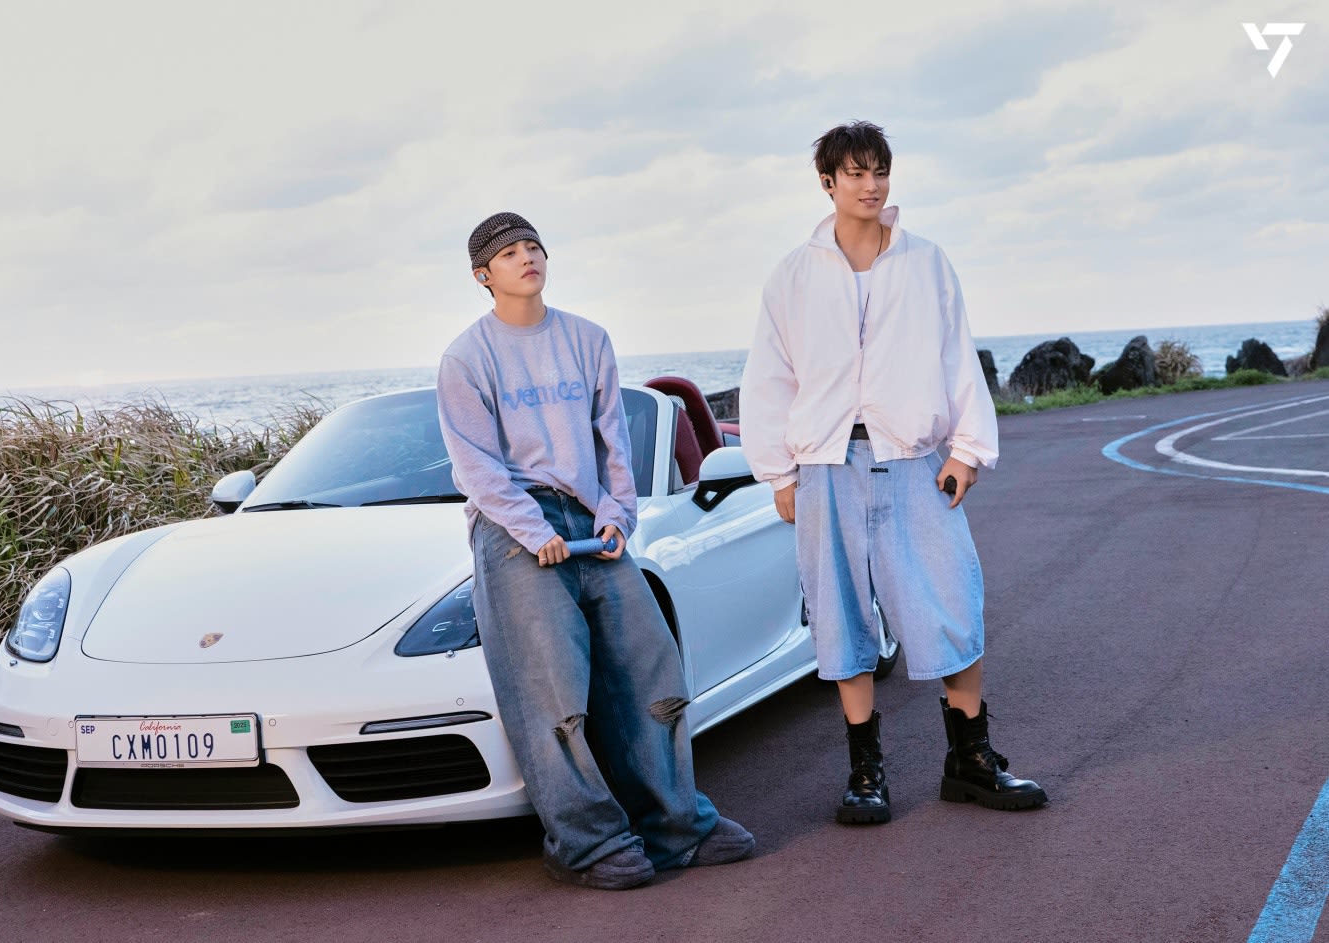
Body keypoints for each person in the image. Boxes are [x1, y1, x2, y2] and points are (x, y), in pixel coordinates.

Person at [738, 122, 1047, 825]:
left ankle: (970, 759)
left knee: (953, 601)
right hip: (824, 465)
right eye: (855, 173)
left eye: (879, 170)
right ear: (827, 183)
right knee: (841, 618)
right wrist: (778, 474)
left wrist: (968, 449)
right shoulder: (792, 275)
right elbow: (770, 377)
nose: (871, 184)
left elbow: (955, 354)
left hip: (911, 461)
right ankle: (865, 772)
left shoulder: (925, 262)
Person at [436, 212, 755, 888]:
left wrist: (618, 514)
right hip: (514, 527)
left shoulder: (587, 339)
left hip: (591, 517)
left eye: (533, 246)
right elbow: (477, 467)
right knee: (552, 695)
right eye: (509, 252)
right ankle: (587, 844)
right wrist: (534, 531)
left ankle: (677, 829)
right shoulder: (467, 358)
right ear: (482, 275)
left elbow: (613, 441)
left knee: (652, 672)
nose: (526, 257)